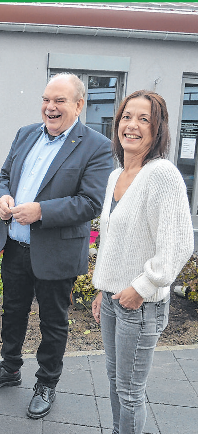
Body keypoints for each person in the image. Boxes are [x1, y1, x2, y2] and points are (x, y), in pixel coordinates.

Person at [0, 73, 113, 419]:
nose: (50, 108)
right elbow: (4, 175)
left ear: (79, 105)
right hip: (16, 247)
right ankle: (9, 368)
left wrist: (41, 211)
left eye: (59, 101)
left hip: (57, 252)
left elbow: (91, 203)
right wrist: (2, 195)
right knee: (13, 312)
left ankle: (47, 383)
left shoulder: (97, 146)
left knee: (53, 323)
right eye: (46, 99)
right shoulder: (25, 134)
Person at [91, 90, 194, 434]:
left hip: (140, 305)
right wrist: (102, 288)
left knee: (130, 393)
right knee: (113, 383)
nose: (131, 125)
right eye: (126, 117)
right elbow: (113, 243)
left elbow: (178, 245)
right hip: (112, 300)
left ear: (158, 129)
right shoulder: (115, 175)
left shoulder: (162, 175)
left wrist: (143, 287)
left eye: (143, 118)